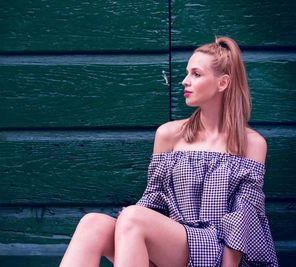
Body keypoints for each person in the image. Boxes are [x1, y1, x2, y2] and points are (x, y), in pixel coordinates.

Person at [59, 36, 278, 267]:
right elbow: (155, 196)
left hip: (214, 250)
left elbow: (244, 219)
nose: (185, 81)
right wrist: (136, 214)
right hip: (172, 244)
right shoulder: (169, 134)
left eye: (196, 74)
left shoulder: (252, 144)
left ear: (223, 83)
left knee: (135, 218)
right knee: (92, 223)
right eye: (187, 73)